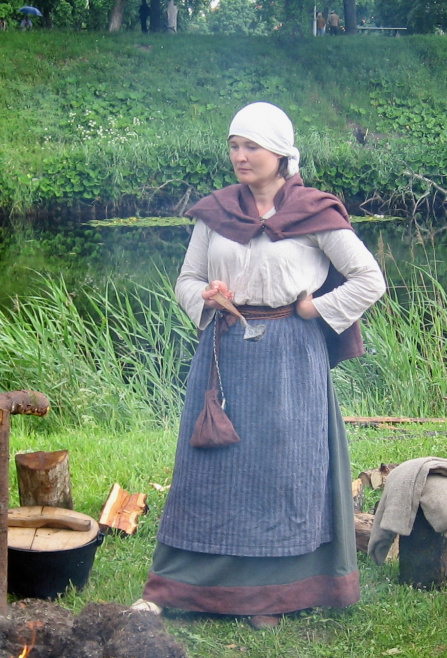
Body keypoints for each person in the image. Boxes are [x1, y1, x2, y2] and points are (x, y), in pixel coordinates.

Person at [137, 102, 386, 629]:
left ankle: (273, 595)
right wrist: (207, 294)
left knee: (282, 473)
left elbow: (369, 278)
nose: (240, 156)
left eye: (251, 146)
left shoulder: (314, 212)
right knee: (212, 473)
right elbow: (186, 279)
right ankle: (182, 585)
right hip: (225, 355)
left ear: (281, 153)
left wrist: (314, 308)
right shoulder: (217, 213)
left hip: (289, 359)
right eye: (234, 145)